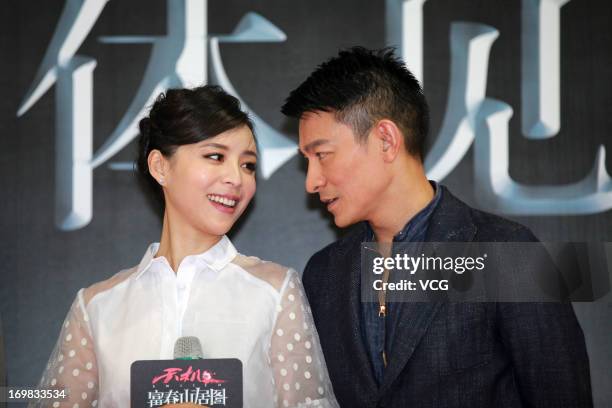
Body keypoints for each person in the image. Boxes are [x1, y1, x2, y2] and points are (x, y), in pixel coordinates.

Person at [281, 47, 593, 407]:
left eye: (321, 155)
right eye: (307, 161)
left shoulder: (507, 252)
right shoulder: (325, 274)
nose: (312, 181)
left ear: (386, 140)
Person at [32, 86, 338, 408]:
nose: (236, 178)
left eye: (247, 165)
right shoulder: (97, 307)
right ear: (160, 167)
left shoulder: (275, 291)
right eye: (215, 156)